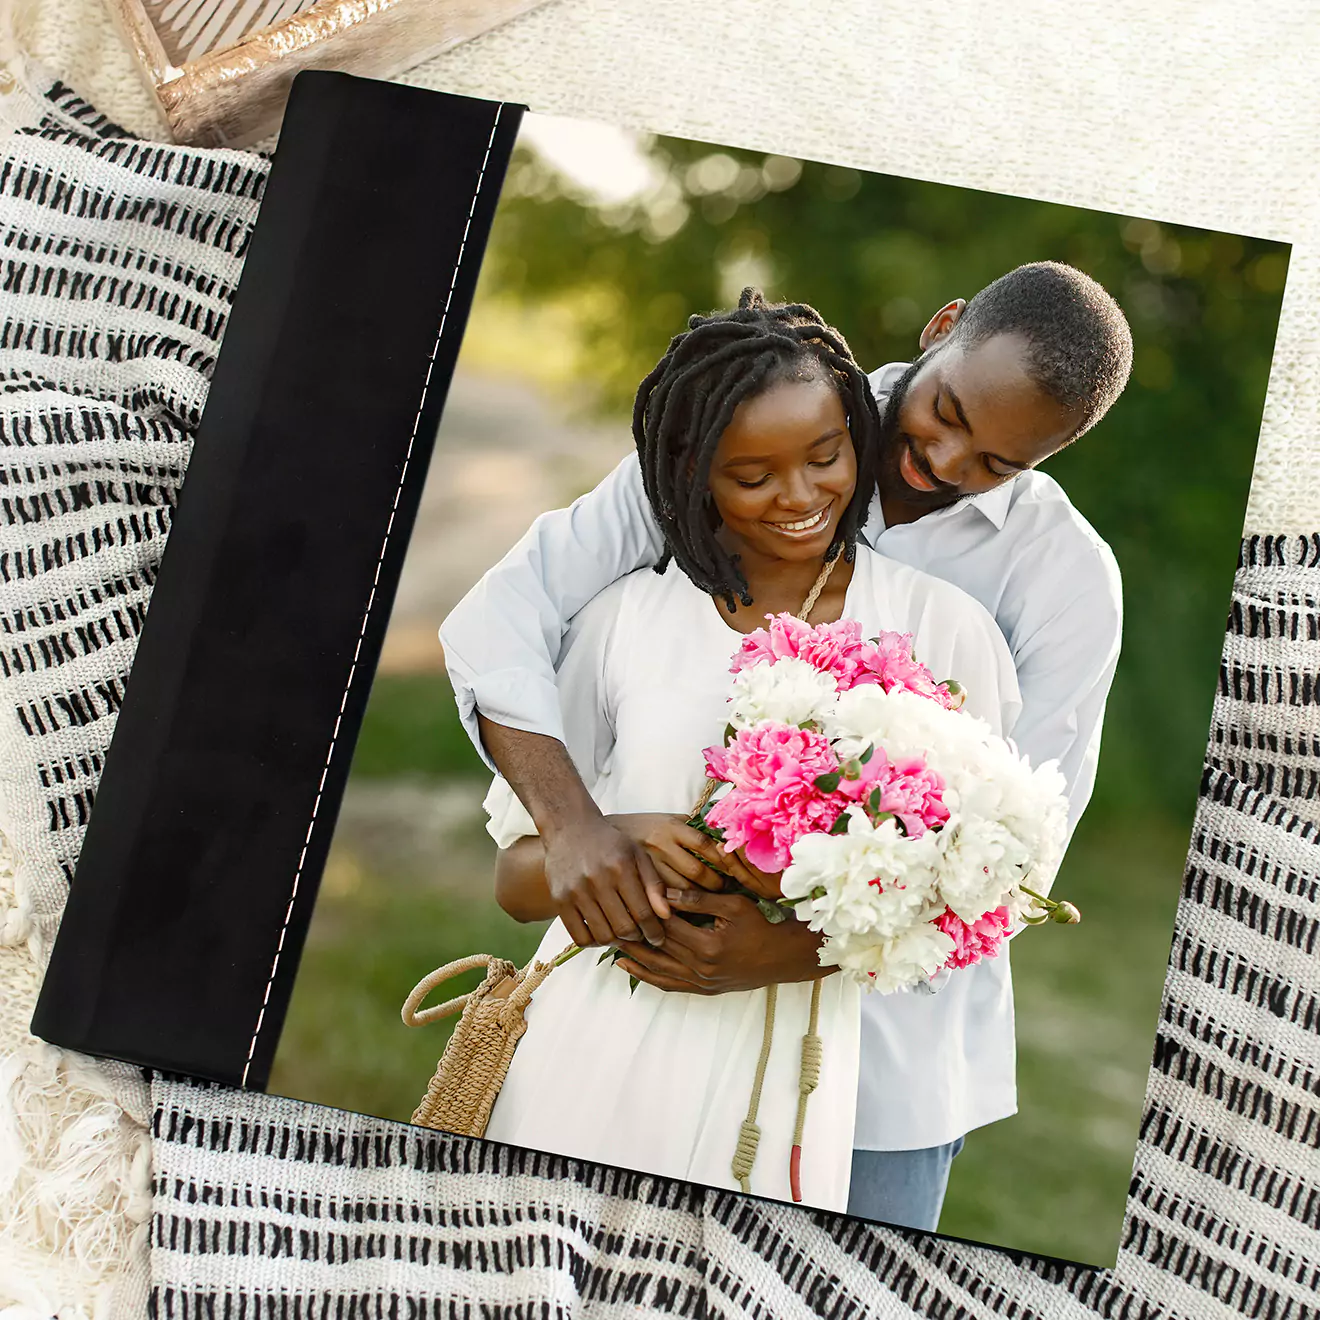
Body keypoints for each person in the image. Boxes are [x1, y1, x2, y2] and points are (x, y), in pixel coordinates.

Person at [440, 261, 1133, 1229]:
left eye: (1000, 464)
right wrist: (573, 829)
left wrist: (795, 950)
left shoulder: (1058, 581)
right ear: (942, 328)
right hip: (655, 1042)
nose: (944, 461)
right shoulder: (760, 416)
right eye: (948, 414)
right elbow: (507, 615)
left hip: (891, 1064)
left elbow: (1020, 847)